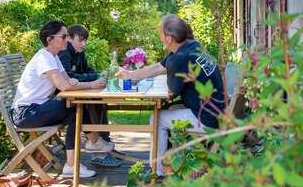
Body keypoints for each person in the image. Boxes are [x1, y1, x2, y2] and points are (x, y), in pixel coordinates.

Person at [116, 15, 225, 176]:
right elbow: (159, 67)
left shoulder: (179, 58)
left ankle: (156, 171)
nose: (158, 34)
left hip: (207, 119)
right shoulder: (193, 46)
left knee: (157, 118)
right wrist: (130, 74)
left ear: (168, 38)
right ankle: (167, 163)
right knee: (169, 110)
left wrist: (169, 76)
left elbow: (170, 93)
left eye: (160, 32)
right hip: (218, 112)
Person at [12, 20, 113, 178]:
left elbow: (67, 81)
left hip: (37, 108)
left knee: (75, 108)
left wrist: (76, 83)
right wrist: (91, 85)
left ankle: (74, 162)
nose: (67, 40)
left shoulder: (53, 57)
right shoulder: (44, 58)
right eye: (64, 36)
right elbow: (64, 86)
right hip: (26, 113)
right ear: (50, 39)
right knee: (74, 106)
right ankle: (94, 142)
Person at [58, 24, 120, 167]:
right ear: (69, 39)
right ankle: (100, 150)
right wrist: (94, 79)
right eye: (80, 40)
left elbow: (86, 70)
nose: (84, 44)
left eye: (85, 40)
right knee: (90, 103)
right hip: (62, 97)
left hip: (75, 92)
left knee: (100, 102)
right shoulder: (64, 52)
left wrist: (98, 74)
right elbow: (69, 76)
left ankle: (104, 145)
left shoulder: (79, 52)